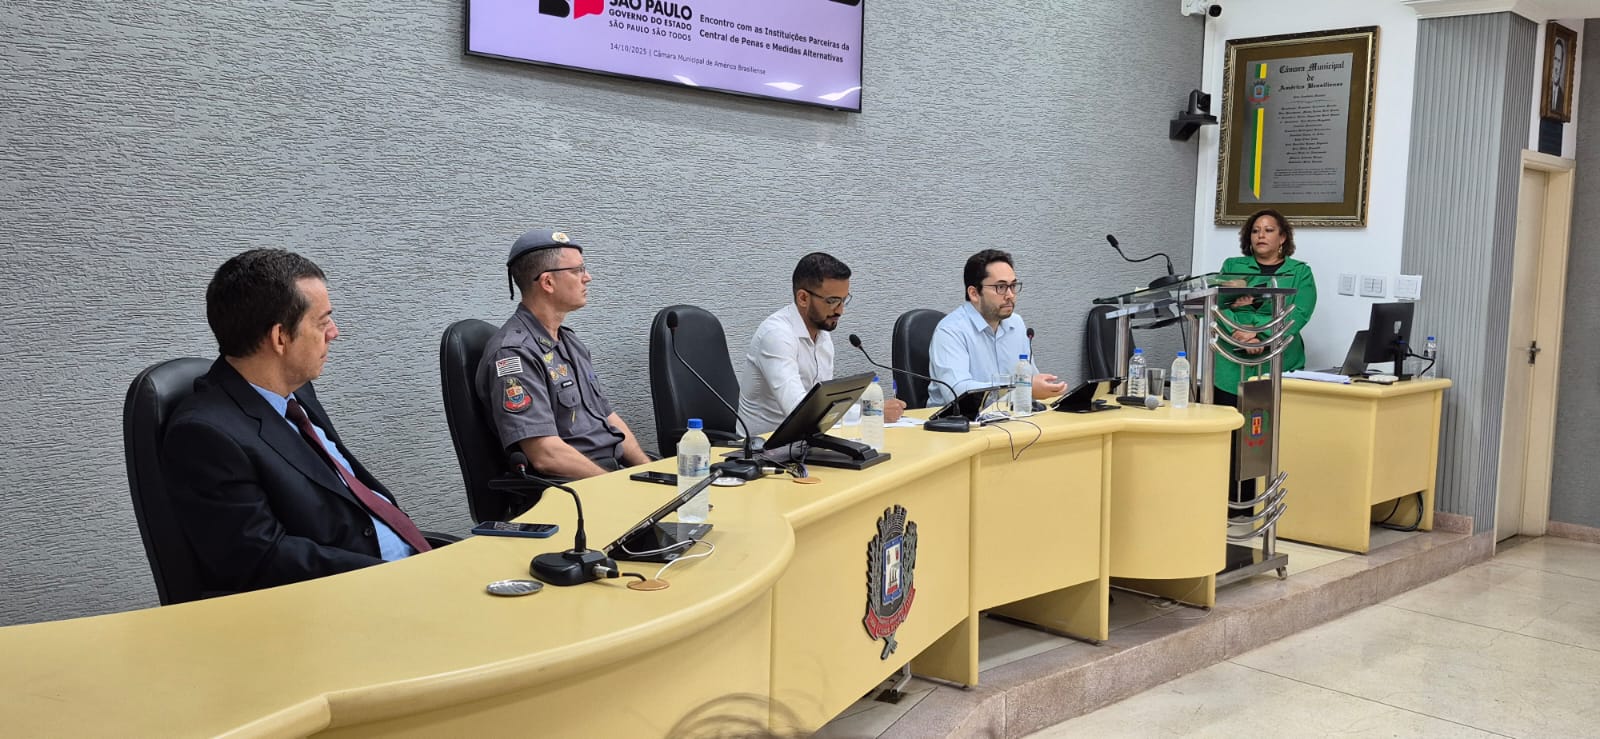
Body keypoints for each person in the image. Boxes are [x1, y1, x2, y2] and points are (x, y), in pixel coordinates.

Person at [163, 249, 430, 595]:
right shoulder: (205, 435)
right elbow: (261, 559)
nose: (334, 333)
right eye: (322, 322)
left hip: (409, 566)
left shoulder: (297, 392)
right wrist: (400, 577)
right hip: (353, 595)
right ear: (280, 338)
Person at [477, 228, 649, 479]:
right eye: (578, 270)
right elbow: (546, 455)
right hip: (574, 487)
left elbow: (608, 417)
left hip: (609, 475)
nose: (587, 277)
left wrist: (647, 470)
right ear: (548, 282)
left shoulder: (569, 342)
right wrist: (616, 484)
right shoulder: (514, 354)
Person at [1214, 209, 1317, 516]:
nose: (1261, 235)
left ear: (1283, 238)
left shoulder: (1300, 272)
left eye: (1269, 230)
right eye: (1256, 230)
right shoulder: (1233, 267)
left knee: (1262, 435)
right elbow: (1218, 304)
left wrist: (1262, 334)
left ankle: (1263, 504)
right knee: (1232, 435)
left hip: (1276, 358)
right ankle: (1229, 506)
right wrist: (1241, 329)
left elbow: (1300, 312)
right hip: (1231, 361)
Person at [739, 252, 904, 435]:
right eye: (832, 301)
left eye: (844, 300)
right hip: (764, 447)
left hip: (806, 441)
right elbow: (799, 411)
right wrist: (871, 411)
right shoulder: (776, 336)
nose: (840, 311)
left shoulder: (822, 334)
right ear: (803, 298)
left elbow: (825, 406)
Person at [927, 249, 1066, 407]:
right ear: (974, 293)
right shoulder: (950, 331)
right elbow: (957, 394)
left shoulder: (1016, 324)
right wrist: (1022, 389)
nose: (1010, 295)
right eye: (1001, 287)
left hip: (1009, 416)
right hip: (958, 420)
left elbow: (1029, 378)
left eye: (1013, 286)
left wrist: (1045, 388)